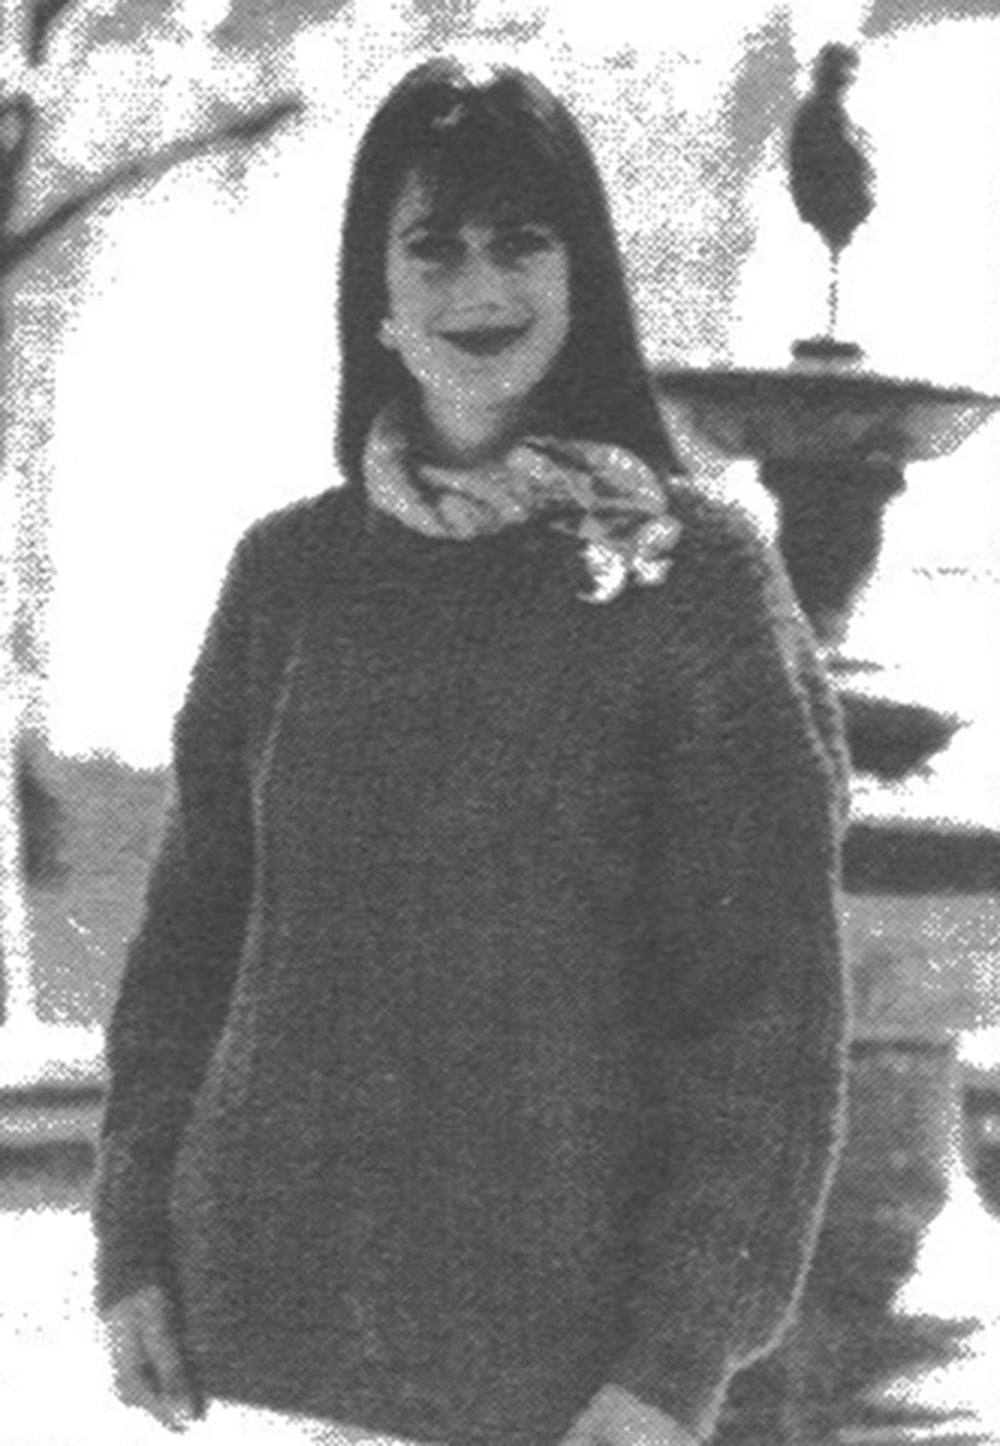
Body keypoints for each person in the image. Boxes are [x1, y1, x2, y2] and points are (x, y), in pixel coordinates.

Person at [93, 58, 850, 1446]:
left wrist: (671, 1369)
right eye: (433, 246)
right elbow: (191, 939)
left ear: (584, 273)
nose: (479, 285)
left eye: (522, 240)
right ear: (375, 294)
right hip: (256, 1343)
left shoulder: (694, 581)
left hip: (563, 1384)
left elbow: (766, 1016)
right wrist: (132, 1247)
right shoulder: (290, 574)